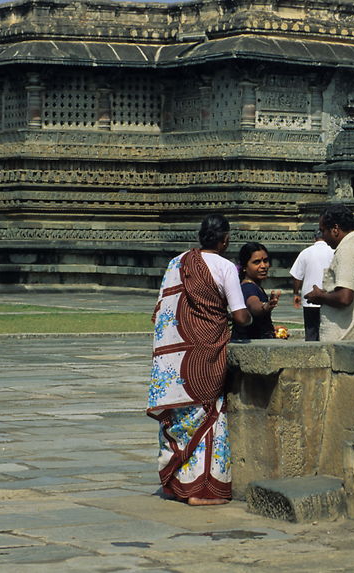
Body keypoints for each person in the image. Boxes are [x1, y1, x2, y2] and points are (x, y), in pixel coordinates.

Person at [147, 214, 250, 506]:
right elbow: (240, 315)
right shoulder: (225, 267)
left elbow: (166, 312)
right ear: (225, 239)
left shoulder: (176, 263)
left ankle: (176, 484)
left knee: (180, 418)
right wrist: (258, 315)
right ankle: (201, 491)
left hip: (177, 360)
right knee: (209, 417)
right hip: (208, 355)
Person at [303, 203, 354, 341]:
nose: (323, 237)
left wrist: (320, 296)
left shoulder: (348, 249)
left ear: (335, 229)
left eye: (323, 231)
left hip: (343, 337)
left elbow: (344, 297)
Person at [289, 229, 335, 341]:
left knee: (311, 330)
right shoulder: (334, 251)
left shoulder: (305, 253)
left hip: (309, 297)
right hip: (329, 297)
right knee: (329, 331)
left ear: (314, 238)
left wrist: (296, 293)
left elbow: (297, 276)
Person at [232, 241, 281, 341]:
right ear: (245, 267)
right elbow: (253, 304)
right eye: (257, 262)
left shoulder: (256, 286)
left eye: (265, 261)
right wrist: (265, 306)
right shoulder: (248, 287)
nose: (263, 266)